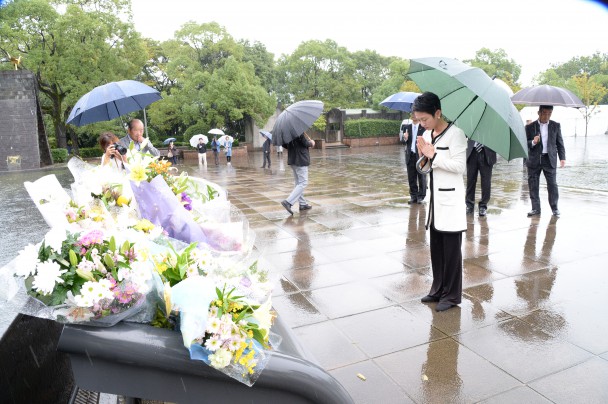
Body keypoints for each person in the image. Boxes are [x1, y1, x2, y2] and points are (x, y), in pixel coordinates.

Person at [414, 92, 467, 312]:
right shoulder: (430, 134)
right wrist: (424, 156)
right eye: (418, 120)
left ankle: (452, 295)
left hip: (451, 200)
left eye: (424, 119)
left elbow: (459, 167)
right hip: (435, 202)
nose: (422, 124)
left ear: (438, 112)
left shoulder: (456, 134)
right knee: (436, 249)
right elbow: (426, 168)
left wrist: (433, 155)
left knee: (452, 251)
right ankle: (437, 289)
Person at [526, 105, 566, 217]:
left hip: (549, 159)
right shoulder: (530, 127)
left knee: (552, 185)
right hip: (534, 160)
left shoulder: (556, 126)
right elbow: (525, 143)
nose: (547, 115)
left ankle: (555, 208)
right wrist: (533, 142)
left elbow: (560, 143)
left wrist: (562, 158)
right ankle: (535, 209)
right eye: (544, 113)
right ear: (538, 113)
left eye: (549, 113)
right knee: (533, 184)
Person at [280, 132, 315, 215]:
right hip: (300, 160)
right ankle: (288, 202)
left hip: (293, 159)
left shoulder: (287, 133)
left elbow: (284, 145)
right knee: (303, 183)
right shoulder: (298, 131)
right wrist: (311, 143)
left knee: (298, 183)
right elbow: (305, 143)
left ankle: (303, 204)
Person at [465, 139, 497, 216]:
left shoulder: (494, 127)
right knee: (470, 181)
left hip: (487, 153)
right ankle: (469, 205)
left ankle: (483, 206)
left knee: (486, 182)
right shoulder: (472, 126)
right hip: (472, 151)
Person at [403, 114, 427, 204]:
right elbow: (404, 141)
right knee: (411, 177)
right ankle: (413, 196)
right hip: (410, 155)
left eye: (414, 114)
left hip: (420, 155)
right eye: (411, 114)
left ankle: (421, 196)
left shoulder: (423, 127)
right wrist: (405, 138)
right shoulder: (407, 127)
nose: (413, 115)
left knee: (421, 176)